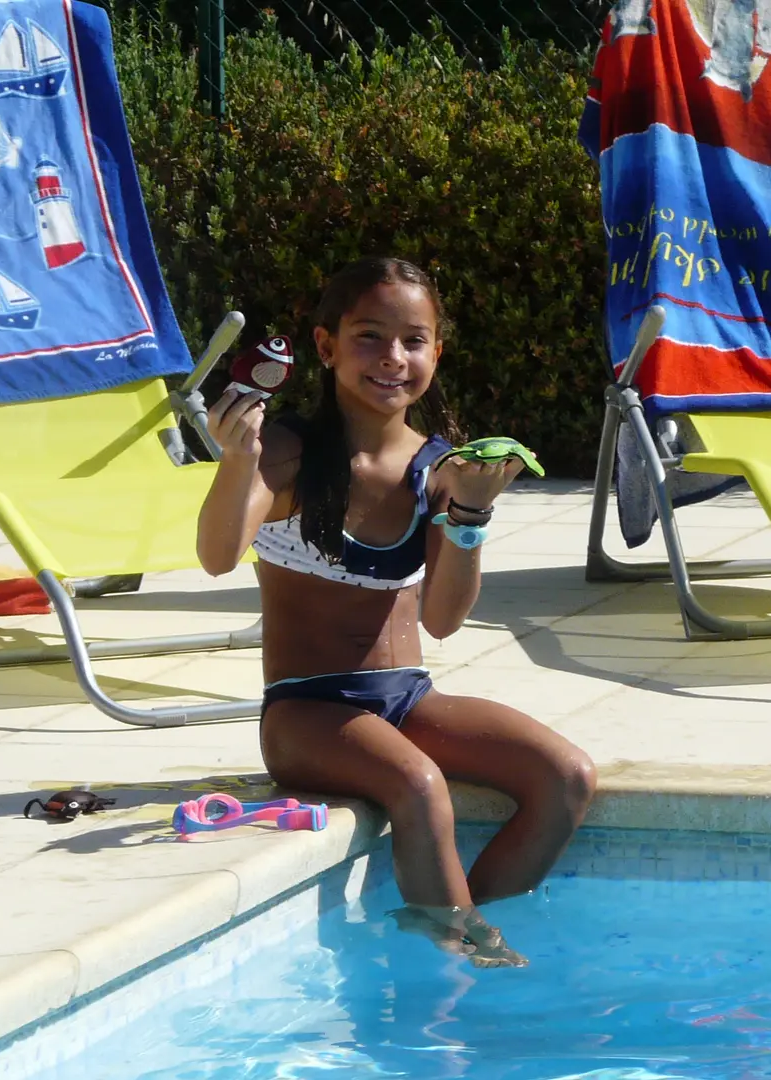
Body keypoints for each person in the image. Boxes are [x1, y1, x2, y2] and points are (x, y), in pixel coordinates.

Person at [196, 256, 597, 968]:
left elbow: (442, 619)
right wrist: (237, 460)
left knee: (564, 777)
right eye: (370, 337)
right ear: (326, 347)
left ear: (437, 352)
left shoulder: (442, 468)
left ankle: (458, 931)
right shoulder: (289, 454)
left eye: (414, 341)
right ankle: (466, 959)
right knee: (417, 786)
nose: (393, 358)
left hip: (405, 699)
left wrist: (470, 512)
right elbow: (217, 555)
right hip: (307, 712)